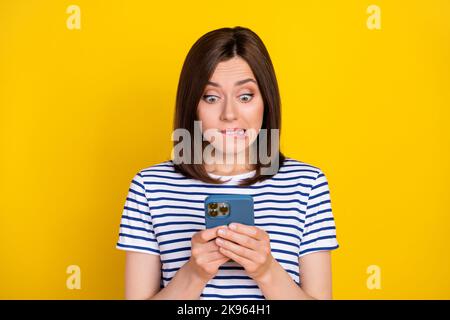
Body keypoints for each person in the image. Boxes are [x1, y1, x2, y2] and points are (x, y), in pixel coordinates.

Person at [116, 26, 339, 300]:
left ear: (266, 101)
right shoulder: (149, 187)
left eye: (245, 96)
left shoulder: (307, 184)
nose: (229, 114)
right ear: (193, 105)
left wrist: (266, 271)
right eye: (211, 97)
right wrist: (195, 273)